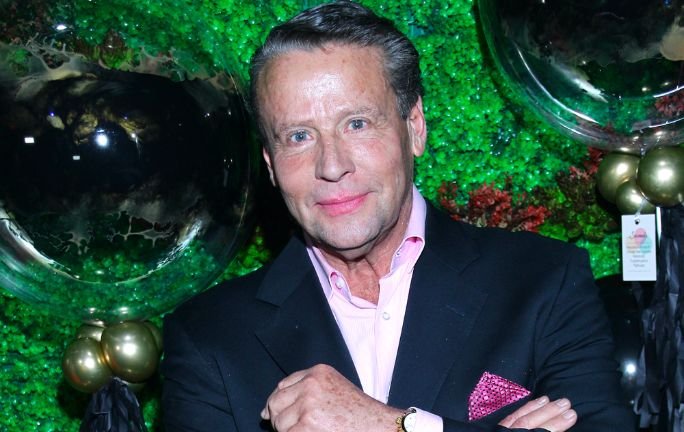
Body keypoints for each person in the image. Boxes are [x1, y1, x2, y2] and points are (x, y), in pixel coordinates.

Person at [161, 2, 636, 431]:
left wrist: (392, 425)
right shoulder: (210, 336)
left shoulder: (544, 281)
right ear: (270, 163)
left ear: (415, 128)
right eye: (299, 137)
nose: (332, 166)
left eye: (357, 124)